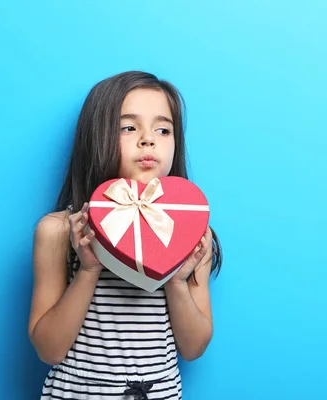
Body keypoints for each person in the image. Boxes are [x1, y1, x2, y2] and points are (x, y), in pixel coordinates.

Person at [28, 71, 223, 399]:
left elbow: (193, 347)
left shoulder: (192, 233)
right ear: (98, 136)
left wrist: (177, 279)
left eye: (163, 129)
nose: (148, 139)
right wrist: (88, 270)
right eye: (129, 127)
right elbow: (49, 351)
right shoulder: (60, 231)